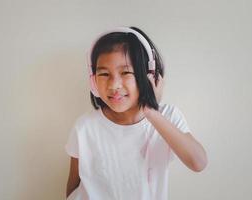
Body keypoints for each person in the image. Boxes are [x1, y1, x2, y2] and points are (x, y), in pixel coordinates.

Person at [65, 26, 208, 200]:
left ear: (149, 75)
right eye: (104, 74)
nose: (114, 85)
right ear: (93, 80)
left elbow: (198, 162)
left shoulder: (167, 117)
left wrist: (150, 111)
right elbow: (74, 184)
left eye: (125, 72)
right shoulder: (85, 126)